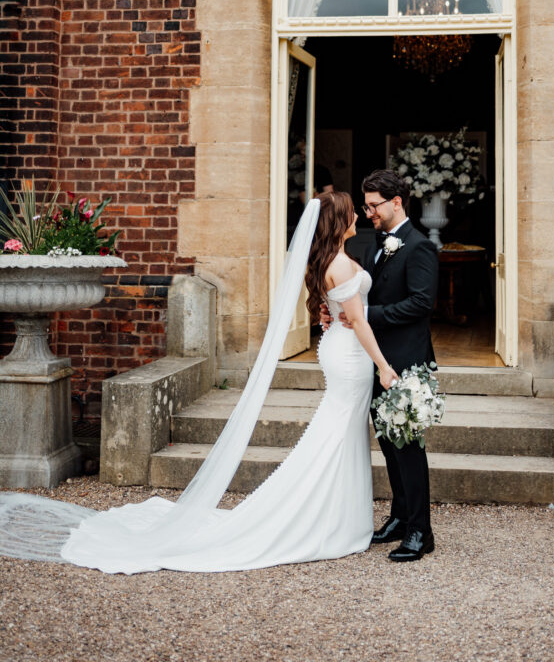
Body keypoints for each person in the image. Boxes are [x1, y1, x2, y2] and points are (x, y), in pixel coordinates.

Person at [0, 193, 397, 573]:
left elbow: (346, 313)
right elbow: (358, 320)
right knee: (337, 432)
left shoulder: (333, 260)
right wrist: (383, 364)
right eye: (352, 213)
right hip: (350, 355)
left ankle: (337, 514)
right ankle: (323, 517)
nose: (358, 218)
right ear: (339, 221)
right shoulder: (341, 265)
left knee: (340, 430)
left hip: (342, 350)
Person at [326, 169, 439, 563]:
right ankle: (400, 516)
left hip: (405, 361)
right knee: (389, 444)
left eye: (374, 206)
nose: (368, 212)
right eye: (366, 206)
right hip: (374, 359)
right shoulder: (375, 242)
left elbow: (422, 304)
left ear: (396, 202)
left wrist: (368, 314)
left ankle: (421, 532)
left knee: (408, 446)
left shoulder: (419, 246)